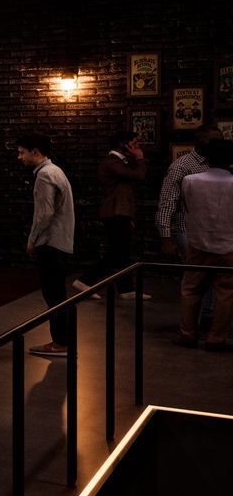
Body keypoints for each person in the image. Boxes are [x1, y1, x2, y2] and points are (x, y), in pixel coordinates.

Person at [158, 127, 225, 325]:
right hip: (186, 228)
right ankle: (191, 320)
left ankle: (207, 315)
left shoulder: (220, 164)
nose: (218, 144)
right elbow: (167, 203)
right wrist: (166, 238)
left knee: (213, 273)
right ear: (200, 141)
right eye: (214, 140)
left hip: (212, 229)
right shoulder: (182, 166)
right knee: (195, 275)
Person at [17, 134, 75, 357]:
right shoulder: (55, 171)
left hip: (50, 243)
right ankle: (63, 341)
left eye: (22, 151)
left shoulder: (44, 175)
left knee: (54, 295)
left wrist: (32, 240)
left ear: (36, 151)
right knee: (57, 293)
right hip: (59, 241)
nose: (19, 157)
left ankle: (61, 342)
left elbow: (44, 213)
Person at [174, 139, 233, 351]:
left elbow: (188, 206)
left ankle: (187, 334)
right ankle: (216, 338)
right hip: (229, 244)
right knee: (226, 293)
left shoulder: (190, 180)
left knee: (191, 289)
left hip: (197, 241)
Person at [74, 130, 146, 297]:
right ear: (123, 145)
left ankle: (126, 288)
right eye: (134, 145)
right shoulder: (111, 162)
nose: (137, 148)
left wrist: (130, 216)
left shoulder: (121, 162)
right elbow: (139, 175)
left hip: (121, 212)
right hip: (114, 213)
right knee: (117, 252)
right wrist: (140, 158)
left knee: (123, 252)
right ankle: (84, 281)